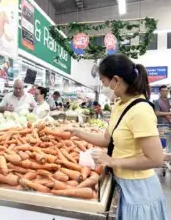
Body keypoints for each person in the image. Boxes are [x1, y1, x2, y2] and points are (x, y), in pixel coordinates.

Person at [64, 54, 168, 220]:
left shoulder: (140, 111)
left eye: (103, 81)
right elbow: (107, 139)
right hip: (123, 184)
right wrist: (78, 132)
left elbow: (156, 159)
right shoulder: (120, 105)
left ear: (116, 80)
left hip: (140, 190)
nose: (103, 85)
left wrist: (112, 161)